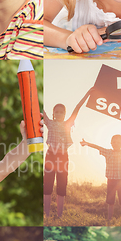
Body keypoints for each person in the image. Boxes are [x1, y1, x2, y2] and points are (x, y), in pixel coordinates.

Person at [44, 88, 92, 218]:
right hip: (50, 156)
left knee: (61, 186)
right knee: (47, 186)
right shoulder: (49, 123)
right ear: (53, 113)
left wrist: (87, 93)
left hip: (63, 157)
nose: (59, 114)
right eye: (57, 112)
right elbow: (39, 108)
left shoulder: (68, 124)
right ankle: (46, 215)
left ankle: (59, 215)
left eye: (61, 112)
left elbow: (77, 108)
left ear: (65, 114)